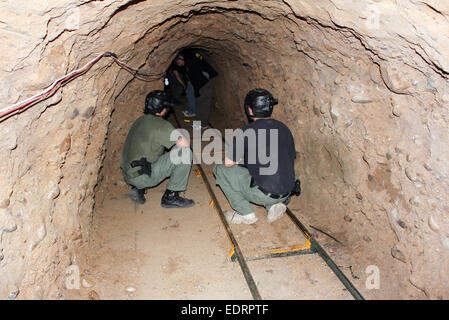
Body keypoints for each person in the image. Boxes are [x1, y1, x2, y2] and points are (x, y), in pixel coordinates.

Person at [213, 88, 297, 224]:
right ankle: (274, 206)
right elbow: (287, 158)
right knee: (267, 172)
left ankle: (246, 214)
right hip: (287, 191)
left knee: (220, 169)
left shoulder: (246, 131)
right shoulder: (284, 128)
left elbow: (228, 163)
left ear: (250, 110)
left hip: (263, 193)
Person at [120, 90, 195, 208]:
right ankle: (171, 196)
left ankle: (137, 189)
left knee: (149, 152)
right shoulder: (162, 125)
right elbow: (184, 144)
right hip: (142, 177)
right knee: (185, 153)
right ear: (162, 109)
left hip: (128, 174)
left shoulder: (139, 120)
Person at [182, 50, 218, 130]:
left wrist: (197, 91)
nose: (178, 63)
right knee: (200, 100)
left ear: (183, 58)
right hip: (204, 79)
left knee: (204, 101)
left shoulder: (191, 63)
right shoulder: (189, 62)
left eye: (179, 60)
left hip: (207, 80)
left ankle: (204, 124)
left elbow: (200, 79)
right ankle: (200, 122)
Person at [165, 53, 197, 117]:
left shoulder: (188, 64)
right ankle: (190, 110)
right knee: (189, 95)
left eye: (181, 59)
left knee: (190, 95)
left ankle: (192, 112)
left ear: (183, 60)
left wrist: (185, 85)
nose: (179, 61)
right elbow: (178, 77)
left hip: (195, 80)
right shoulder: (176, 66)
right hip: (190, 81)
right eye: (178, 59)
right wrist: (184, 85)